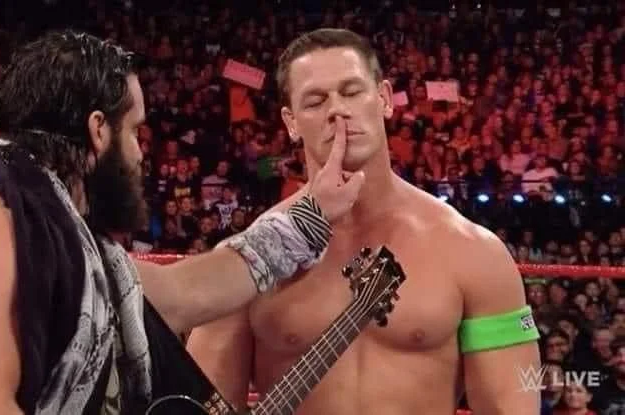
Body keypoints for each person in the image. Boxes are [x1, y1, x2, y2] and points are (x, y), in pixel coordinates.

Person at [0, 30, 365, 414]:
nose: (141, 153)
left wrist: (311, 214)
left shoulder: (56, 239)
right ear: (98, 130)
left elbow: (185, 292)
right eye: (134, 131)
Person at [187, 28, 542, 414]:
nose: (337, 110)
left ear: (384, 98)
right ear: (291, 122)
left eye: (352, 92)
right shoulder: (241, 266)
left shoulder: (474, 253)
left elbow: (512, 407)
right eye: (315, 101)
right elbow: (204, 409)